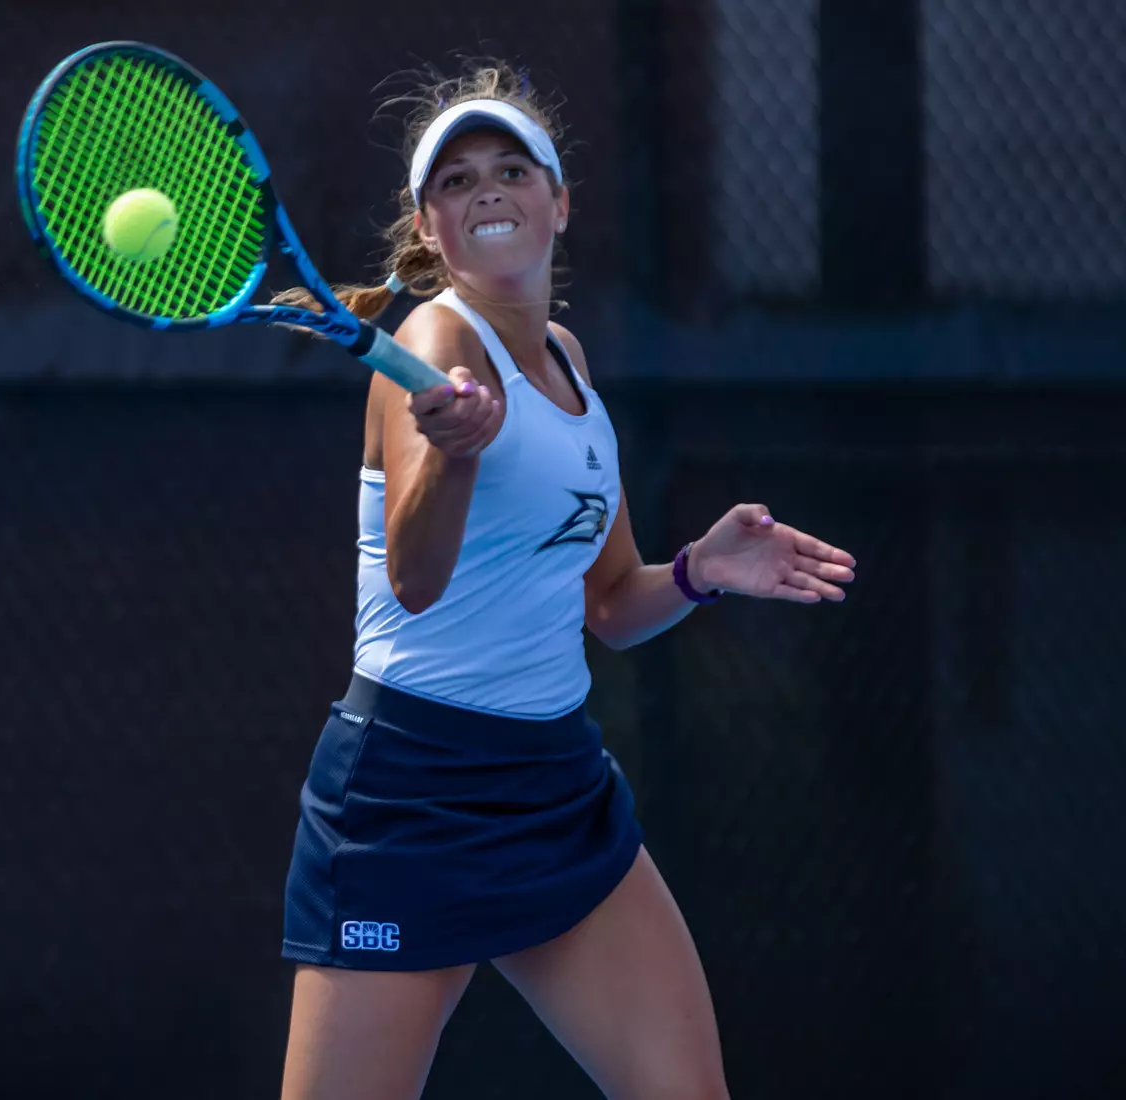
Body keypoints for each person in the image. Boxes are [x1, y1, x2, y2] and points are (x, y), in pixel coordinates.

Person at [275, 62, 857, 1100]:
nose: (486, 189)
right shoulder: (429, 340)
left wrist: (697, 571)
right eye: (456, 181)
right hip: (410, 793)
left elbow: (609, 606)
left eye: (510, 167)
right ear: (430, 224)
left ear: (559, 201)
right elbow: (413, 581)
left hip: (555, 787)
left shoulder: (571, 364)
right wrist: (452, 453)